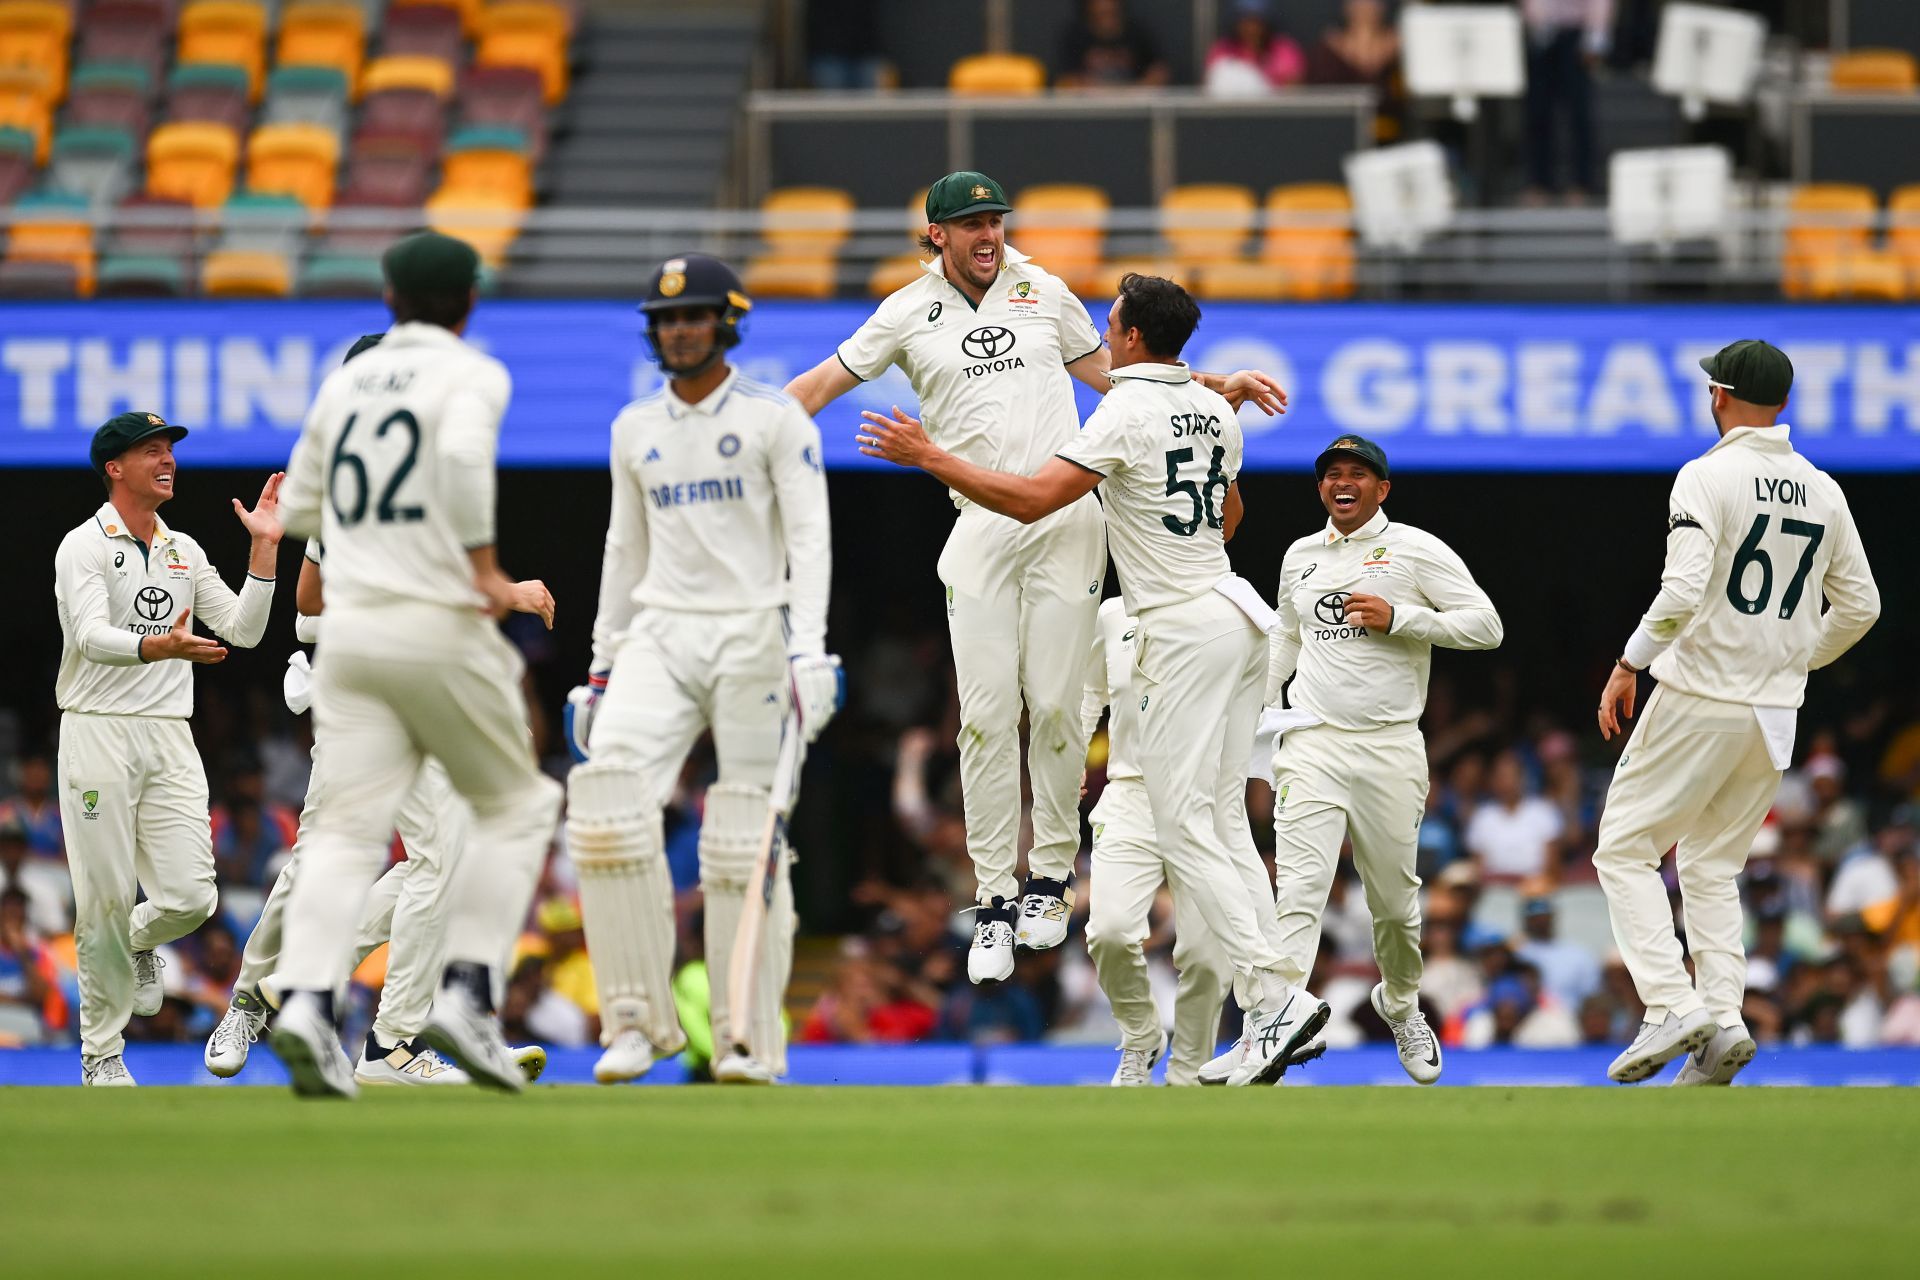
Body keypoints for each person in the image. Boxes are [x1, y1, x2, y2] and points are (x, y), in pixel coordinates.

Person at [784, 170, 1284, 986]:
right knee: (984, 719)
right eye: (971, 224)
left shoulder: (1043, 290)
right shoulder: (906, 312)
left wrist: (1215, 383)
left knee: (1055, 707)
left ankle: (1049, 878)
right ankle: (992, 902)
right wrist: (750, 430)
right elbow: (818, 385)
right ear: (937, 235)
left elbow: (1122, 380)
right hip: (979, 525)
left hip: (1062, 525)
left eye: (996, 221)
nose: (990, 236)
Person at [858, 272, 1329, 1087]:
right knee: (1218, 823)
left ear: (1134, 337)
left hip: (1179, 626)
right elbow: (1229, 517)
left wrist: (931, 457)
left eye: (1111, 323)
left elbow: (1037, 500)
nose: (1101, 333)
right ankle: (1266, 1010)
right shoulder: (1217, 409)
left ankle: (1275, 999)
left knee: (1185, 826)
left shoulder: (1119, 413)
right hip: (1237, 611)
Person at [269, 232, 565, 1099]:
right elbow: (467, 470)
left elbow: (307, 516)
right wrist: (484, 576)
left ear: (391, 299)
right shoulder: (473, 373)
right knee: (519, 807)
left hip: (348, 642)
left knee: (348, 835)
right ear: (467, 303)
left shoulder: (342, 386)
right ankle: (461, 1001)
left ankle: (304, 1000)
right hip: (429, 629)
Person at [566, 253, 837, 1086]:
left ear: (728, 322)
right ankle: (637, 1025)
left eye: (695, 317)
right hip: (659, 634)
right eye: (667, 320)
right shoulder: (633, 427)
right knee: (607, 806)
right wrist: (602, 665)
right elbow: (621, 549)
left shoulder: (775, 419)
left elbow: (809, 539)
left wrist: (809, 648)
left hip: (756, 630)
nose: (680, 330)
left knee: (747, 835)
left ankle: (748, 1040)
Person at [1594, 339, 1879, 1086]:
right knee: (1713, 866)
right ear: (1781, 404)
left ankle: (1667, 1006)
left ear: (1718, 395)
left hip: (1700, 696)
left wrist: (1629, 663)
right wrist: (1793, 656)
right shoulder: (1823, 489)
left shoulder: (1706, 476)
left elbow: (1683, 592)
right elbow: (1863, 605)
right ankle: (1721, 1023)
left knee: (1623, 849)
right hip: (1773, 710)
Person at [1257, 434, 1502, 1083]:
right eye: (1332, 474)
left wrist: (1403, 617)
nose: (1343, 483)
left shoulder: (1416, 549)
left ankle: (1400, 1001)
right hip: (1312, 739)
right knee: (1300, 891)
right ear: (1320, 488)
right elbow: (1287, 634)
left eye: (1357, 474)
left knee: (1393, 905)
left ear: (1382, 488)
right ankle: (1275, 1017)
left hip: (1391, 744)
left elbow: (1487, 625)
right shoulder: (1300, 555)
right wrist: (1257, 702)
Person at [53, 410, 282, 1086]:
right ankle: (103, 1056)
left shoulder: (183, 549)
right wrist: (162, 646)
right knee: (101, 898)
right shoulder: (83, 546)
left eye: (170, 450)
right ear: (114, 468)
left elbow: (241, 630)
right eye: (150, 451)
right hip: (97, 727)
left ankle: (139, 938)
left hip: (169, 734)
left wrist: (264, 550)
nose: (167, 460)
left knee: (191, 899)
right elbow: (89, 636)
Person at [1080, 597, 1233, 1086]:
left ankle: (1189, 1071)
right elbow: (1088, 692)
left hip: (1201, 796)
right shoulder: (1111, 615)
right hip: (1129, 793)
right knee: (1108, 931)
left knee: (1208, 958)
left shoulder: (1227, 607)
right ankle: (1141, 1035)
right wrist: (1070, 759)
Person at [1522, 0, 1609, 203]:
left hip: (1577, 32)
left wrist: (1596, 38)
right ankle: (1539, 183)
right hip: (1541, 31)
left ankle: (1582, 183)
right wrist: (1535, 21)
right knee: (1537, 113)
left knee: (1580, 114)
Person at [1054, 0, 1169, 89]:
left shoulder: (1137, 32)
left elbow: (1159, 72)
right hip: (1089, 110)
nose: (1106, 5)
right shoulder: (1075, 35)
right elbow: (1066, 80)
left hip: (1134, 107)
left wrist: (1134, 91)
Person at [1204, 0, 1305, 96]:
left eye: (1256, 21)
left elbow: (1292, 91)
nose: (1251, 28)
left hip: (1272, 112)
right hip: (1230, 111)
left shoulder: (1283, 49)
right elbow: (1210, 89)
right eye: (1245, 21)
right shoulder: (1223, 49)